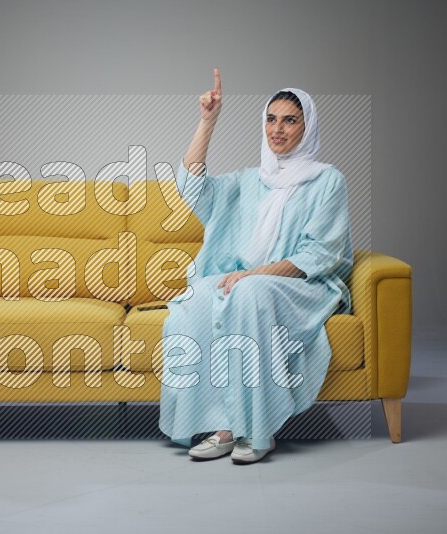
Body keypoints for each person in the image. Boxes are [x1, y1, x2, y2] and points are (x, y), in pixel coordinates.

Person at [158, 68, 354, 464]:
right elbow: (192, 187)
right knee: (197, 299)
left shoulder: (327, 181)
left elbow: (317, 256)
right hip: (248, 282)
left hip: (300, 285)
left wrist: (253, 274)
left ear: (307, 126)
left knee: (245, 292)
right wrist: (207, 121)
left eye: (289, 120)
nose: (277, 129)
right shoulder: (251, 181)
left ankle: (257, 430)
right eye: (270, 119)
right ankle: (224, 427)